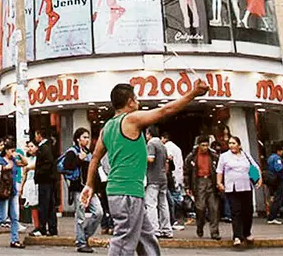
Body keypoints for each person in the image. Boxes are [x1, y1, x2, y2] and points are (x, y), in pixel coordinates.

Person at [81, 79, 210, 255]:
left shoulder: (107, 127)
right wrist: (193, 93)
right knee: (123, 242)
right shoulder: (131, 119)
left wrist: (89, 185)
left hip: (122, 191)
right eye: (136, 98)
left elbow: (95, 158)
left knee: (146, 237)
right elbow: (166, 110)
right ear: (129, 102)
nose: (139, 102)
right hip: (127, 193)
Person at [216, 135, 261, 247]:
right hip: (232, 188)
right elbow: (219, 171)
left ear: (239, 145)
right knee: (236, 212)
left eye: (234, 143)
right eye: (230, 143)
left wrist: (259, 179)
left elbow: (254, 167)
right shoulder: (224, 156)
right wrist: (219, 183)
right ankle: (237, 236)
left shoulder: (246, 155)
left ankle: (247, 232)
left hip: (246, 187)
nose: (231, 145)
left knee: (248, 211)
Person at [62, 127, 102, 252]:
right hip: (79, 189)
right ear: (78, 139)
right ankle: (81, 243)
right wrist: (79, 159)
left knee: (98, 213)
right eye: (84, 137)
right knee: (80, 217)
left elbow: (94, 171)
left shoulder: (89, 153)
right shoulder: (72, 152)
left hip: (90, 189)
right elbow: (67, 167)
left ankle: (83, 235)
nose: (87, 140)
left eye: (88, 137)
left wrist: (98, 188)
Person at [183, 136, 220, 240]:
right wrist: (187, 186)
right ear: (198, 145)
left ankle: (214, 232)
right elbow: (186, 172)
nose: (205, 147)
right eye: (203, 145)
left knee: (214, 208)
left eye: (207, 145)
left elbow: (219, 169)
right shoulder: (192, 157)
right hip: (198, 182)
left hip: (211, 181)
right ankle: (200, 225)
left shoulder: (213, 155)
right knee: (200, 208)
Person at [144, 127, 173, 239]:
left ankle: (154, 229)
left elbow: (151, 159)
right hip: (163, 178)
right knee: (163, 204)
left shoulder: (151, 143)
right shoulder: (162, 145)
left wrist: (140, 157)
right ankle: (166, 229)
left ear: (149, 134)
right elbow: (166, 162)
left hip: (153, 178)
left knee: (151, 204)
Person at [33, 128, 59, 237]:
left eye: (36, 134)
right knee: (50, 205)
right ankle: (52, 229)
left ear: (39, 135)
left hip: (45, 180)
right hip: (50, 180)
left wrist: (38, 173)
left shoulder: (44, 148)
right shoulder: (50, 145)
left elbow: (47, 164)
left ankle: (42, 228)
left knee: (44, 205)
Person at [159, 132, 185, 230]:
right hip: (174, 175)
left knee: (169, 199)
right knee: (173, 198)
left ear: (163, 138)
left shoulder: (165, 147)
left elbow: (168, 162)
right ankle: (175, 219)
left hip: (167, 177)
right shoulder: (177, 148)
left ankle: (173, 219)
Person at [20, 140, 40, 234]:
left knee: (37, 205)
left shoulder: (39, 159)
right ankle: (36, 225)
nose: (30, 148)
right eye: (29, 147)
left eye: (32, 146)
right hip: (29, 183)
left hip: (36, 183)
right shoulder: (28, 159)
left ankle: (40, 226)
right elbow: (24, 173)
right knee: (32, 206)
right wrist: (22, 186)